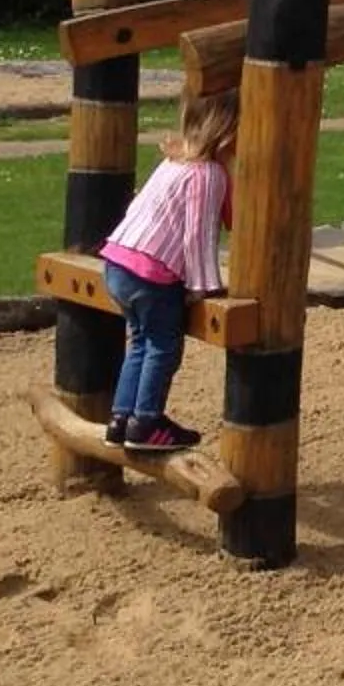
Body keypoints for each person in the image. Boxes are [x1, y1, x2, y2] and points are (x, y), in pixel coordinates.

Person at [97, 92, 237, 455]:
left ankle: (121, 418)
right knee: (163, 345)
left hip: (118, 262)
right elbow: (198, 234)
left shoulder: (175, 162)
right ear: (229, 133)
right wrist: (202, 286)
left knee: (141, 341)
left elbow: (228, 219)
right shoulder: (207, 174)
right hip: (151, 273)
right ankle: (146, 421)